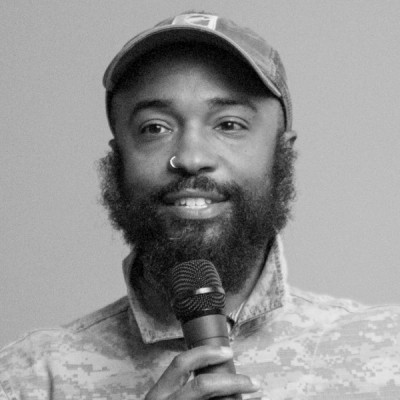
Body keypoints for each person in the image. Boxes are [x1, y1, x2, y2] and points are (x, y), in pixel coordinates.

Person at [1, 11, 400, 400]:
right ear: (118, 158)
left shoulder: (389, 353)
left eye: (229, 125)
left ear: (281, 153)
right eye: (155, 128)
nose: (190, 157)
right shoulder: (29, 379)